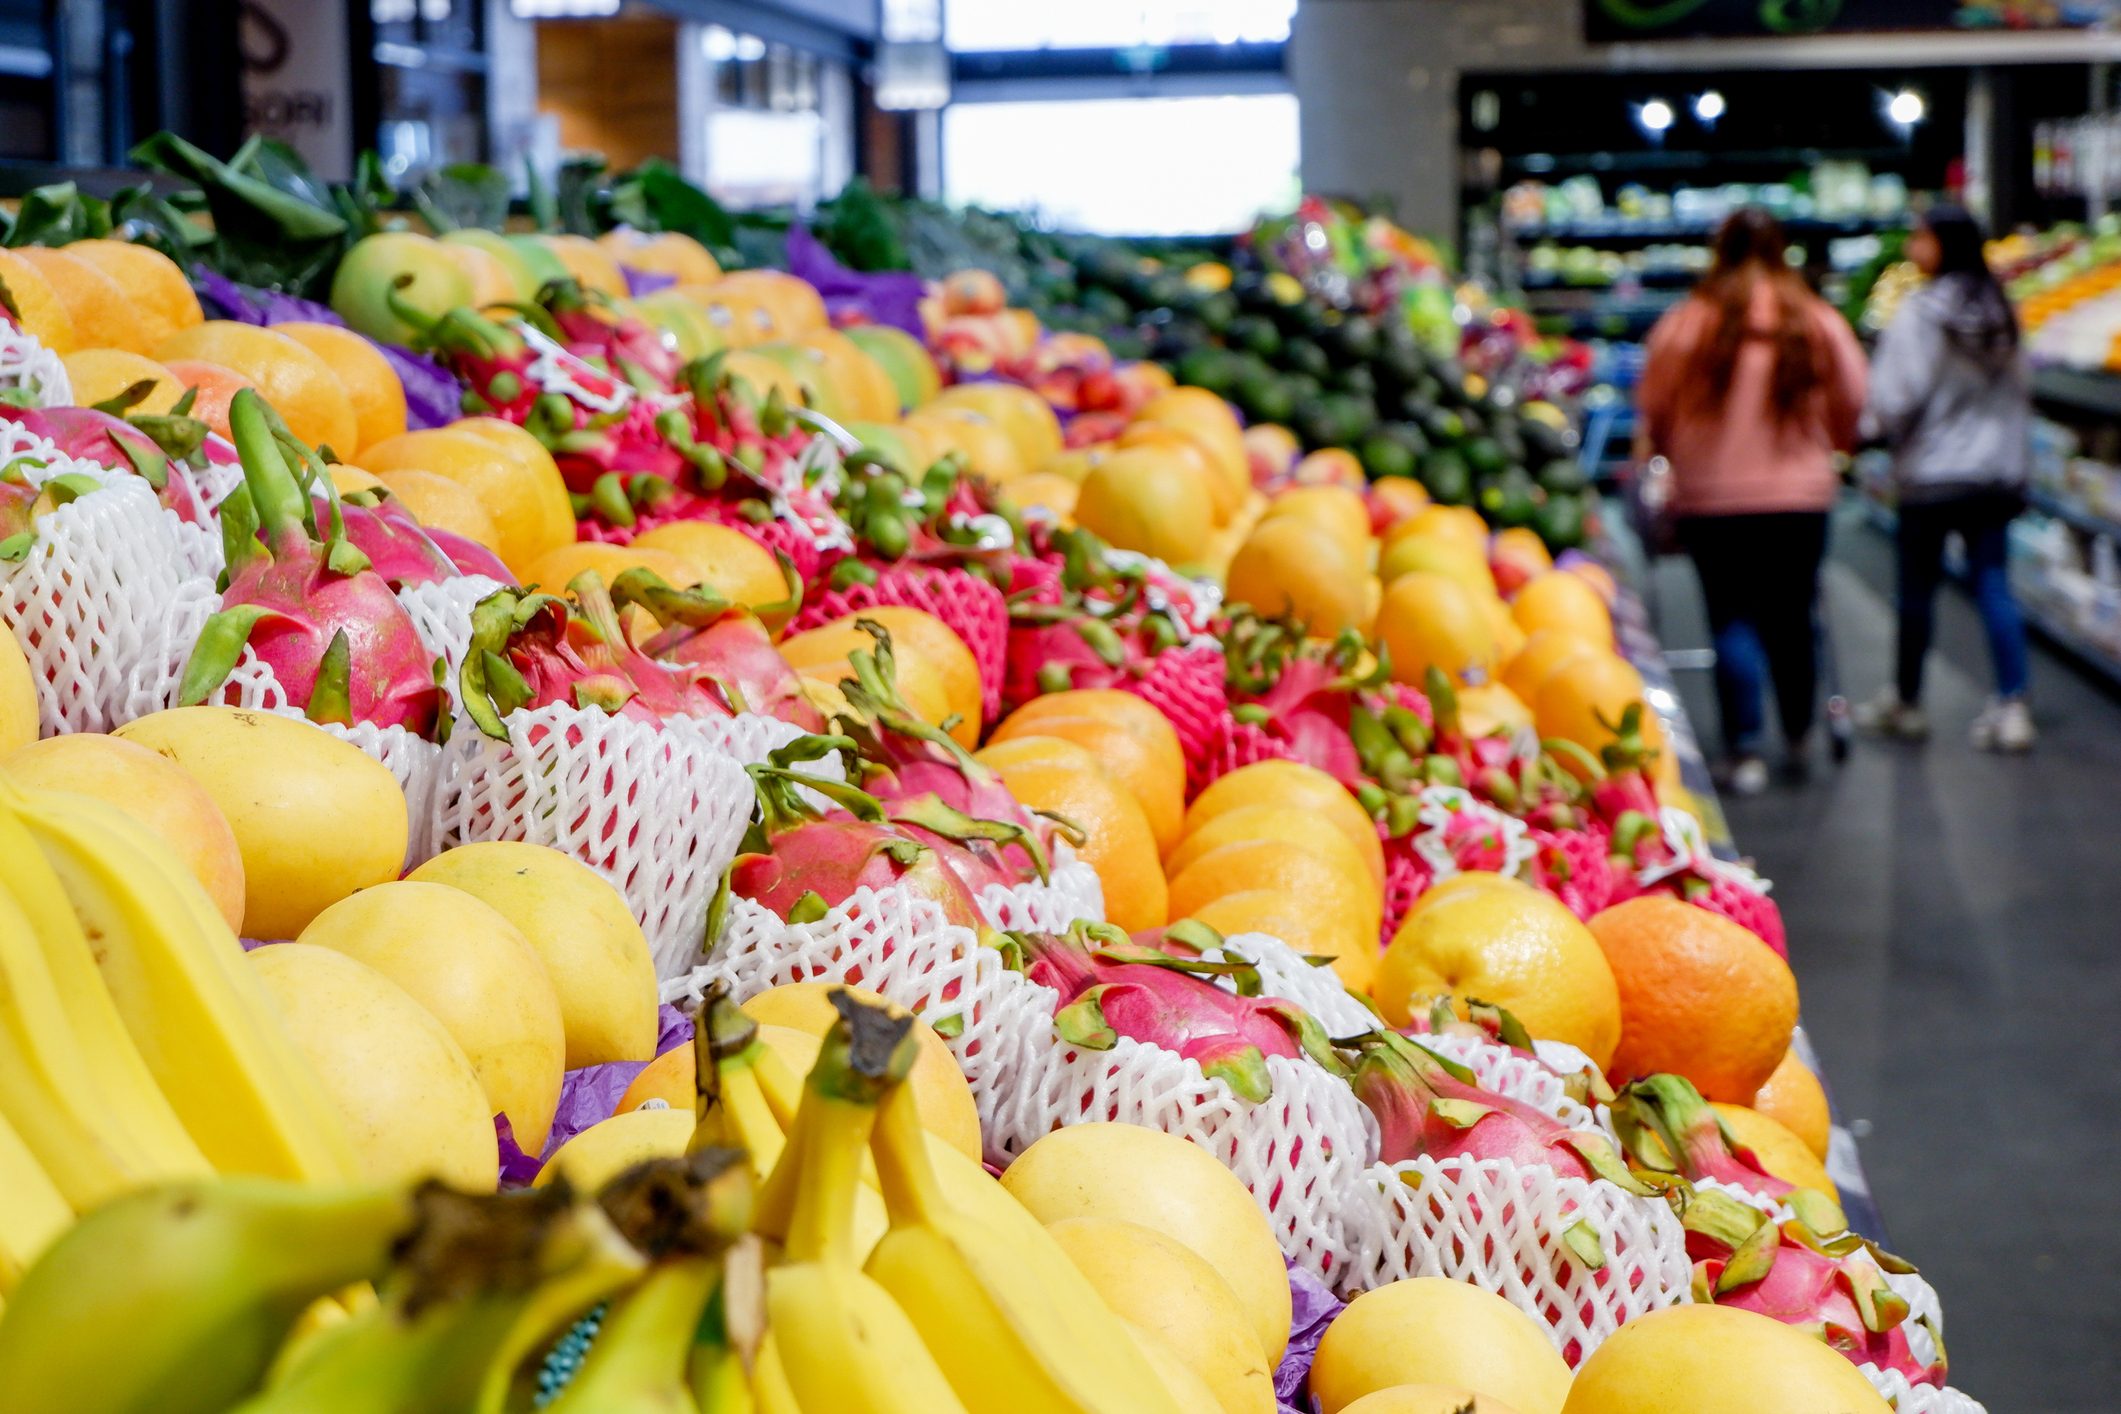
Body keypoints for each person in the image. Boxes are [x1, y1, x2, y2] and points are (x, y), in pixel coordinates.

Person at [1636, 207, 1868, 793]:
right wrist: (1832, 447)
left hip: (1712, 499)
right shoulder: (1811, 320)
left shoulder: (1689, 322)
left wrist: (1668, 459)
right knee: (1794, 616)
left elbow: (1654, 407)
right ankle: (1798, 732)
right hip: (1800, 498)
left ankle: (1745, 748)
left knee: (1731, 616)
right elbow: (1855, 396)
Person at [1855, 204, 2035, 752]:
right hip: (1994, 474)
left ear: (1941, 244)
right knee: (1993, 584)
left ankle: (1908, 702)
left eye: (1920, 236)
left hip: (1931, 475)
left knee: (1916, 592)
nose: (1913, 246)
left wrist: (1868, 431)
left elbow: (1894, 396)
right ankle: (2013, 704)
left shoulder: (1920, 313)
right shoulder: (2003, 311)